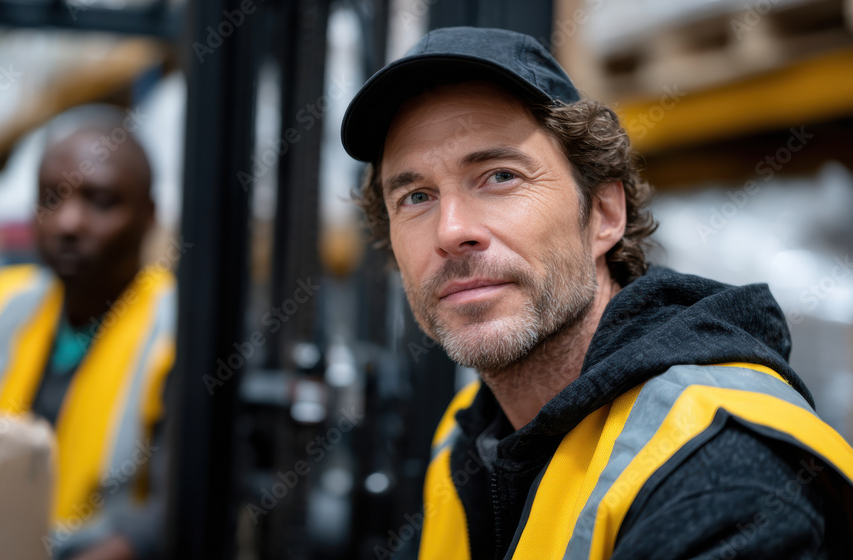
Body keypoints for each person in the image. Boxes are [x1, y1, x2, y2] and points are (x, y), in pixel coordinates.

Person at [341, 27, 853, 560]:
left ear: (604, 215)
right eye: (417, 196)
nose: (450, 231)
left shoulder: (719, 468)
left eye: (499, 176)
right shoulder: (470, 434)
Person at [0, 107, 174, 560]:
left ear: (149, 214)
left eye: (100, 201)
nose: (68, 223)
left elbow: (178, 508)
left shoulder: (177, 330)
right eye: (51, 198)